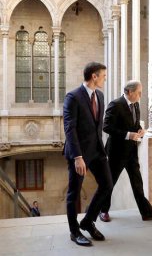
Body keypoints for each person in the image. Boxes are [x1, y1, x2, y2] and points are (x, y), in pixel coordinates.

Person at [63, 62, 113, 246]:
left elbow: (97, 127)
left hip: (97, 152)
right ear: (94, 76)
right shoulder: (73, 97)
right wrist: (77, 157)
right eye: (103, 76)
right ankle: (74, 231)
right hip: (79, 154)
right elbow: (70, 129)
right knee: (74, 193)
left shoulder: (99, 95)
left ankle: (87, 222)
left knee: (107, 184)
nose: (105, 79)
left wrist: (102, 150)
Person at [99, 80, 152, 222]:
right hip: (117, 152)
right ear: (129, 92)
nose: (140, 95)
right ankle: (103, 210)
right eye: (138, 92)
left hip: (131, 152)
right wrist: (128, 135)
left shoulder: (136, 105)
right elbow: (106, 127)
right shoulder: (115, 105)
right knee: (110, 182)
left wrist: (139, 131)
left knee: (137, 183)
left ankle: (146, 212)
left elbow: (133, 125)